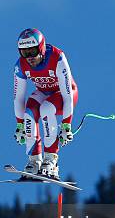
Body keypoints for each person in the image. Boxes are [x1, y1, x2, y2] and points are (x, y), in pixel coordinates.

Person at [13, 28, 78, 180]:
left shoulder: (57, 57)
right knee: (29, 111)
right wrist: (20, 125)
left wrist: (66, 125)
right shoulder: (20, 65)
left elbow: (67, 94)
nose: (29, 57)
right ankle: (34, 162)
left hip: (64, 94)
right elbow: (18, 97)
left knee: (46, 108)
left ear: (41, 47)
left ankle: (51, 161)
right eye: (24, 52)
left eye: (33, 51)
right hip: (44, 91)